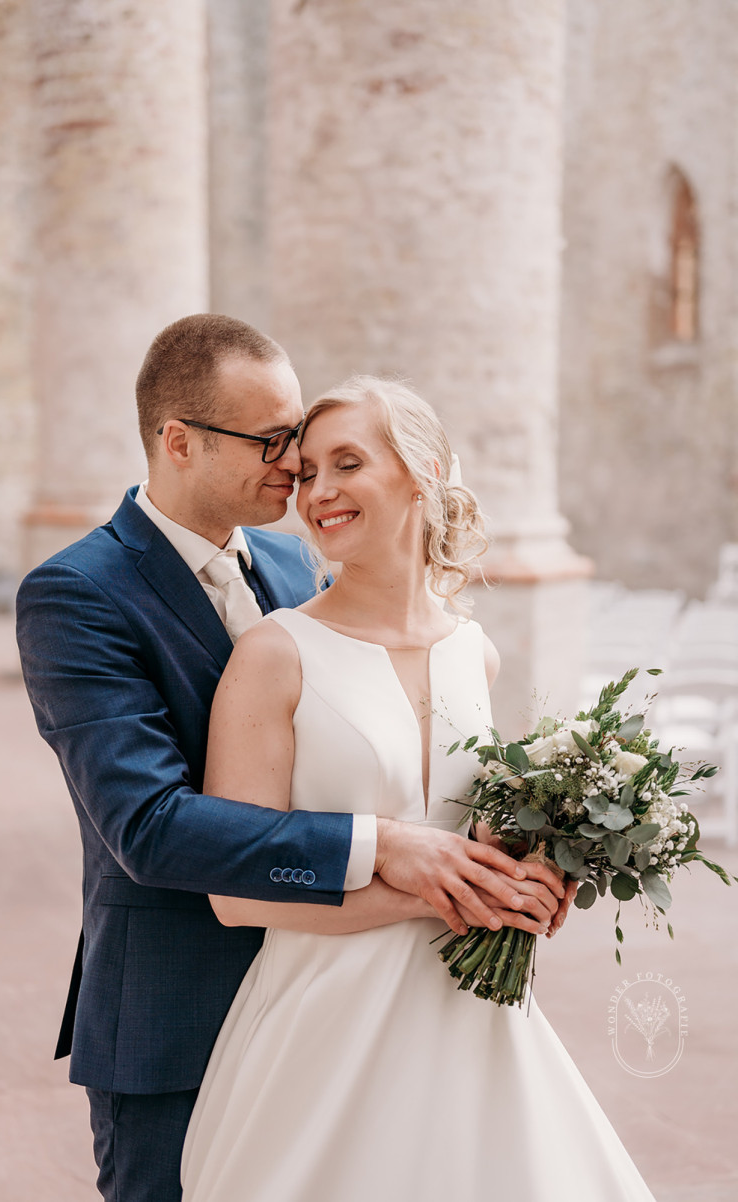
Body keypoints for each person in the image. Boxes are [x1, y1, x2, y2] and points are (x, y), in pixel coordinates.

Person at [16, 316, 569, 1202]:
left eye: (304, 446)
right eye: (273, 441)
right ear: (180, 441)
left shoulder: (298, 562)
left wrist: (517, 867)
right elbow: (147, 825)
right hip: (179, 1010)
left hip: (371, 997)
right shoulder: (77, 593)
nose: (293, 466)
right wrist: (388, 846)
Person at [180, 376, 657, 1202]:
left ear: (423, 472)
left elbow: (476, 838)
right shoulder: (274, 653)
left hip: (475, 1022)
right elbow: (235, 893)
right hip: (324, 1031)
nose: (319, 492)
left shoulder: (476, 652)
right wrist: (444, 892)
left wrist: (529, 877)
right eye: (307, 474)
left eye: (348, 463)